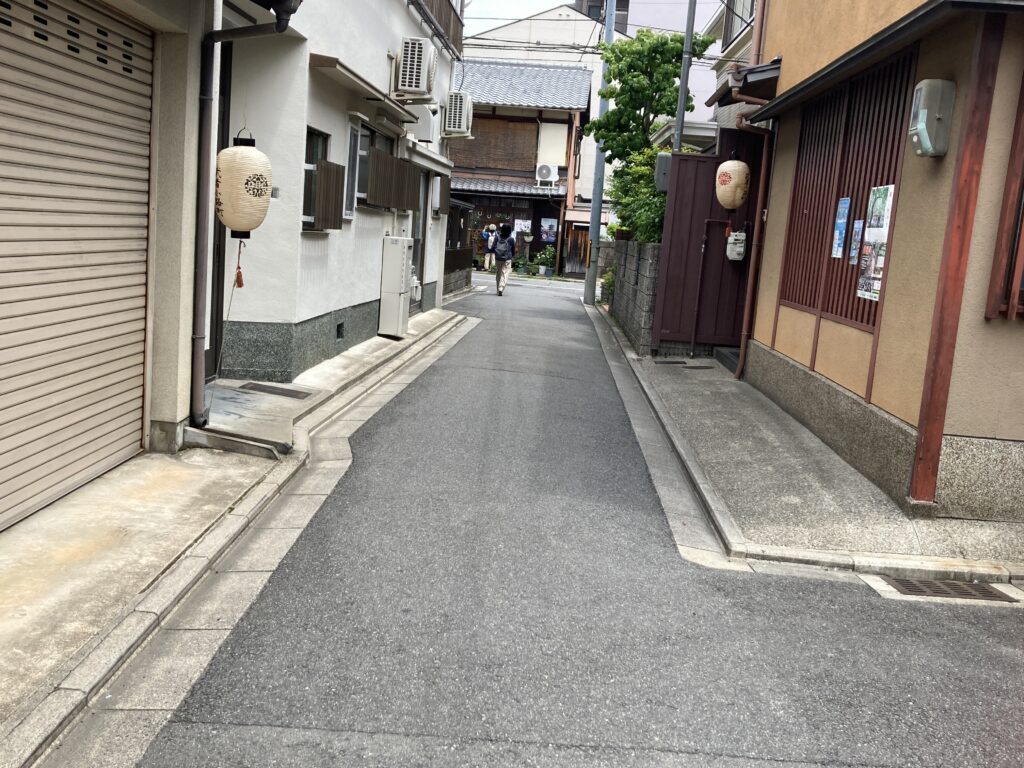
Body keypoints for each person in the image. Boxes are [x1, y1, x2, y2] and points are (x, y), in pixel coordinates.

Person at [494, 223, 515, 296]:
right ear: (509, 231)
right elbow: (513, 250)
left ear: (502, 230)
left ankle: (498, 290)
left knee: (498, 273)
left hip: (498, 258)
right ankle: (501, 288)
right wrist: (512, 256)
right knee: (505, 273)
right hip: (507, 258)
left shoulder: (497, 237)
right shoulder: (511, 239)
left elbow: (493, 247)